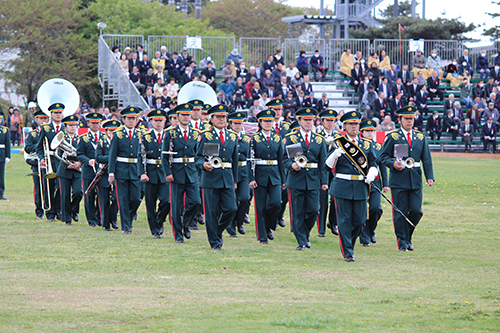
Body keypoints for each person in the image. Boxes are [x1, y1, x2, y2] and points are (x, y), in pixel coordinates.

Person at [381, 106, 434, 252]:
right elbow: (383, 156)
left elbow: (426, 158)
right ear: (400, 120)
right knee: (400, 212)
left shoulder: (420, 137)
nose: (409, 121)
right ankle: (402, 242)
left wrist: (430, 176)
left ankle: (408, 235)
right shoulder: (393, 136)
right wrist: (393, 164)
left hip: (415, 179)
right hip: (399, 180)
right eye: (406, 119)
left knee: (416, 211)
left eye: (411, 118)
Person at [325, 111, 377, 262]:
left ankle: (350, 244)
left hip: (360, 185)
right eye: (351, 124)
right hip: (342, 185)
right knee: (344, 221)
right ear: (345, 126)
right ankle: (348, 252)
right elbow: (327, 167)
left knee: (360, 221)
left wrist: (372, 173)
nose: (354, 127)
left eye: (356, 124)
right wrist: (334, 155)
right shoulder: (337, 142)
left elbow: (373, 163)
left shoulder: (366, 144)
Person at [282, 107, 328, 250]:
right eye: (306, 120)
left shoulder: (319, 139)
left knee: (314, 210)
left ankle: (305, 233)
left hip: (313, 179)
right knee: (298, 211)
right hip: (297, 178)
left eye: (311, 120)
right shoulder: (291, 138)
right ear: (299, 120)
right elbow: (285, 160)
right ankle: (301, 241)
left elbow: (323, 163)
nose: (309, 122)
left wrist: (324, 181)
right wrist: (292, 165)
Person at [195, 104, 239, 250]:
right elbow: (198, 158)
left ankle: (217, 231)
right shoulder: (206, 135)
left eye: (224, 116)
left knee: (231, 209)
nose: (222, 119)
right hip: (211, 178)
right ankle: (214, 243)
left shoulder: (232, 136)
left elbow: (235, 161)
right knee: (211, 212)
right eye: (218, 117)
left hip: (227, 177)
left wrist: (235, 180)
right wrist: (204, 165)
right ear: (212, 119)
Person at [163, 103, 202, 243]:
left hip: (191, 172)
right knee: (176, 207)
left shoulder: (196, 133)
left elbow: (198, 155)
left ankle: (186, 223)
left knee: (196, 202)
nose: (186, 117)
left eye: (188, 114)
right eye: (183, 115)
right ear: (177, 116)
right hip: (176, 173)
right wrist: (168, 172)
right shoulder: (170, 133)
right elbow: (164, 155)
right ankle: (178, 235)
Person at [248, 109, 285, 243]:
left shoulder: (277, 138)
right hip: (260, 175)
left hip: (275, 175)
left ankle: (269, 225)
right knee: (261, 206)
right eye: (266, 121)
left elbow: (281, 159)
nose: (269, 123)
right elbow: (250, 159)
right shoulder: (254, 139)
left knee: (276, 203)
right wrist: (251, 178)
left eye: (271, 121)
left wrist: (283, 179)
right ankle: (262, 236)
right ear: (260, 122)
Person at [108, 107, 143, 234]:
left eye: (133, 118)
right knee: (122, 199)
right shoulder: (117, 134)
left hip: (135, 169)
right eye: (129, 118)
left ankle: (129, 217)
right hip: (121, 169)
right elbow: (112, 155)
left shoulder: (141, 134)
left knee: (135, 198)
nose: (131, 121)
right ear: (124, 119)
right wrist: (111, 173)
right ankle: (126, 226)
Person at [139, 109, 170, 239]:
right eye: (155, 120)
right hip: (150, 173)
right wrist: (142, 173)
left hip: (164, 172)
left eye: (161, 120)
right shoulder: (145, 136)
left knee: (166, 201)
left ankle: (160, 219)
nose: (158, 123)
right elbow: (140, 156)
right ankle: (155, 230)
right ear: (151, 121)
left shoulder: (169, 136)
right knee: (150, 204)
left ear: (164, 121)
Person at [358, 119, 388, 247]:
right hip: (360, 183)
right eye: (367, 131)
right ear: (362, 132)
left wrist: (385, 183)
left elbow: (382, 167)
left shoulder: (378, 147)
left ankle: (371, 230)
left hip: (375, 184)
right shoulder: (357, 147)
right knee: (363, 211)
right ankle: (364, 238)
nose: (370, 133)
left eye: (372, 131)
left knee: (376, 209)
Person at [36, 103, 65, 221]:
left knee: (61, 187)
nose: (58, 115)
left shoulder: (66, 127)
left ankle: (58, 209)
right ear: (51, 114)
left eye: (60, 112)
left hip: (63, 160)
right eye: (56, 113)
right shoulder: (45, 128)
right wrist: (42, 158)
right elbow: (39, 147)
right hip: (50, 161)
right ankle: (50, 212)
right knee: (49, 187)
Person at [225, 112, 251, 237]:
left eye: (240, 123)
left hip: (243, 172)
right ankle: (231, 228)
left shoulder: (246, 138)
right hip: (230, 171)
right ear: (230, 124)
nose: (238, 125)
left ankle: (239, 221)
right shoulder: (228, 137)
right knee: (232, 202)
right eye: (235, 123)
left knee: (245, 198)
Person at [77, 112, 105, 227]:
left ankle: (100, 218)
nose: (95, 125)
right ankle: (91, 220)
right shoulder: (83, 138)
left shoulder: (104, 137)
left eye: (97, 123)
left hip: (101, 171)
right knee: (89, 196)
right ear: (88, 123)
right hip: (88, 171)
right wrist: (87, 160)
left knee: (102, 195)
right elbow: (79, 154)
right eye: (93, 123)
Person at [316, 109, 340, 237]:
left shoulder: (338, 137)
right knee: (322, 200)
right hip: (322, 172)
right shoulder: (318, 137)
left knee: (335, 199)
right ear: (322, 121)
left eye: (332, 120)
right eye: (327, 120)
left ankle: (333, 222)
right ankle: (321, 228)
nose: (330, 123)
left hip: (335, 172)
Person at [56, 115, 83, 226]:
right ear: (65, 127)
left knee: (78, 192)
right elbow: (57, 153)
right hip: (64, 170)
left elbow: (84, 153)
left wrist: (79, 163)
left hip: (77, 170)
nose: (73, 127)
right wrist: (66, 163)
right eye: (70, 125)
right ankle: (67, 218)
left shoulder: (81, 138)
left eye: (74, 125)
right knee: (65, 195)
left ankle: (73, 210)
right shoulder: (61, 138)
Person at [95, 119, 119, 231]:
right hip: (104, 174)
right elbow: (98, 157)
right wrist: (111, 158)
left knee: (115, 199)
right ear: (106, 131)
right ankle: (105, 223)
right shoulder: (101, 142)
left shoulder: (120, 141)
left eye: (115, 130)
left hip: (117, 173)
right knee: (104, 200)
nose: (112, 132)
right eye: (110, 130)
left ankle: (113, 219)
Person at [24, 109, 49, 216]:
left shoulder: (50, 132)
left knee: (50, 188)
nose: (43, 120)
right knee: (38, 188)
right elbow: (28, 148)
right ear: (36, 119)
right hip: (37, 164)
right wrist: (39, 146)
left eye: (45, 118)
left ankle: (51, 209)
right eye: (41, 118)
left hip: (50, 164)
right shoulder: (32, 134)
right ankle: (39, 210)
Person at [0, 111, 11, 201]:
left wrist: (8, 156)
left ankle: (0, 193)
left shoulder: (5, 130)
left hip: (1, 154)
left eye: (0, 118)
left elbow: (8, 143)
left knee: (1, 174)